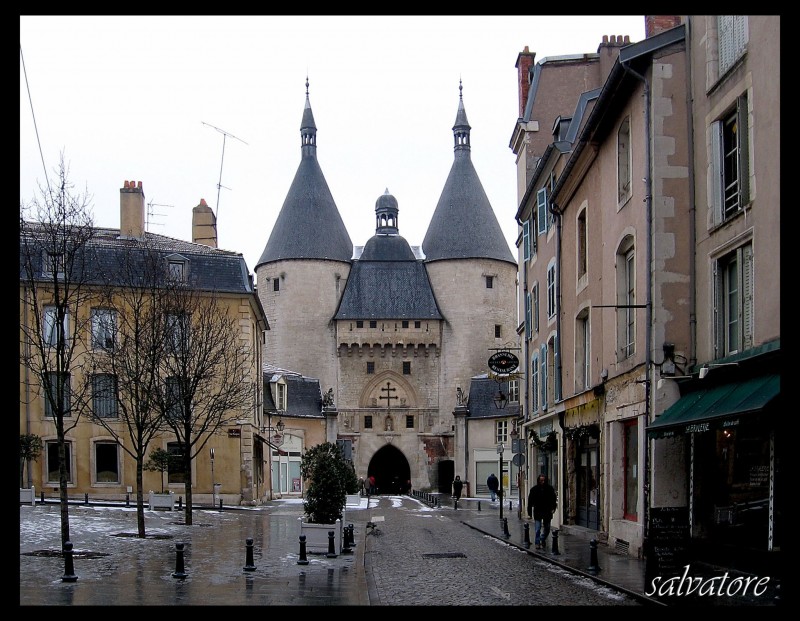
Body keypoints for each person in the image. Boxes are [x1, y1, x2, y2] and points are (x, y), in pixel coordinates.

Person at [527, 474, 557, 550]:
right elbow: (530, 501)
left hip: (547, 511)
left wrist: (553, 508)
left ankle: (542, 538)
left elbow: (553, 499)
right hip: (538, 511)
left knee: (547, 528)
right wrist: (529, 512)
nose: (542, 482)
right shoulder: (534, 489)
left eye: (544, 480)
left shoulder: (550, 489)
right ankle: (537, 543)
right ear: (538, 481)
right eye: (541, 480)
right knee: (537, 528)